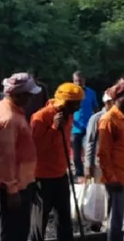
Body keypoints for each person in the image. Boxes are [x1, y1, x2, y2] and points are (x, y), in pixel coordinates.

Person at [29, 82, 85, 241]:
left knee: (64, 220)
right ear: (65, 103)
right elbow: (35, 149)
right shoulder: (41, 117)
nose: (79, 107)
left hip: (61, 174)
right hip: (42, 177)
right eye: (76, 104)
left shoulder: (69, 114)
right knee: (40, 221)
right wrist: (54, 128)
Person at [97, 79, 124, 241]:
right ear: (117, 98)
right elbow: (103, 153)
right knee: (116, 221)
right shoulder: (109, 120)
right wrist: (111, 178)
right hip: (118, 179)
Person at [0, 73, 40, 240]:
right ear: (17, 95)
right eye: (28, 95)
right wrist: (12, 190)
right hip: (15, 187)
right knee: (15, 232)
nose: (31, 98)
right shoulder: (9, 119)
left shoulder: (11, 110)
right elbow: (6, 158)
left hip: (22, 182)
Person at [70, 71, 98, 178]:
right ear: (73, 81)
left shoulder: (91, 92)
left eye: (80, 81)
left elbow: (96, 108)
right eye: (76, 81)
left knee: (89, 150)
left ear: (84, 81)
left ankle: (90, 171)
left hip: (89, 126)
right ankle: (79, 173)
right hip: (75, 128)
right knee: (76, 154)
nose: (78, 83)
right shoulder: (70, 94)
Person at [84, 92, 113, 181]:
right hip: (99, 164)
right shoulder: (96, 118)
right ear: (107, 102)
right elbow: (90, 142)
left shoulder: (118, 118)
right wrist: (88, 165)